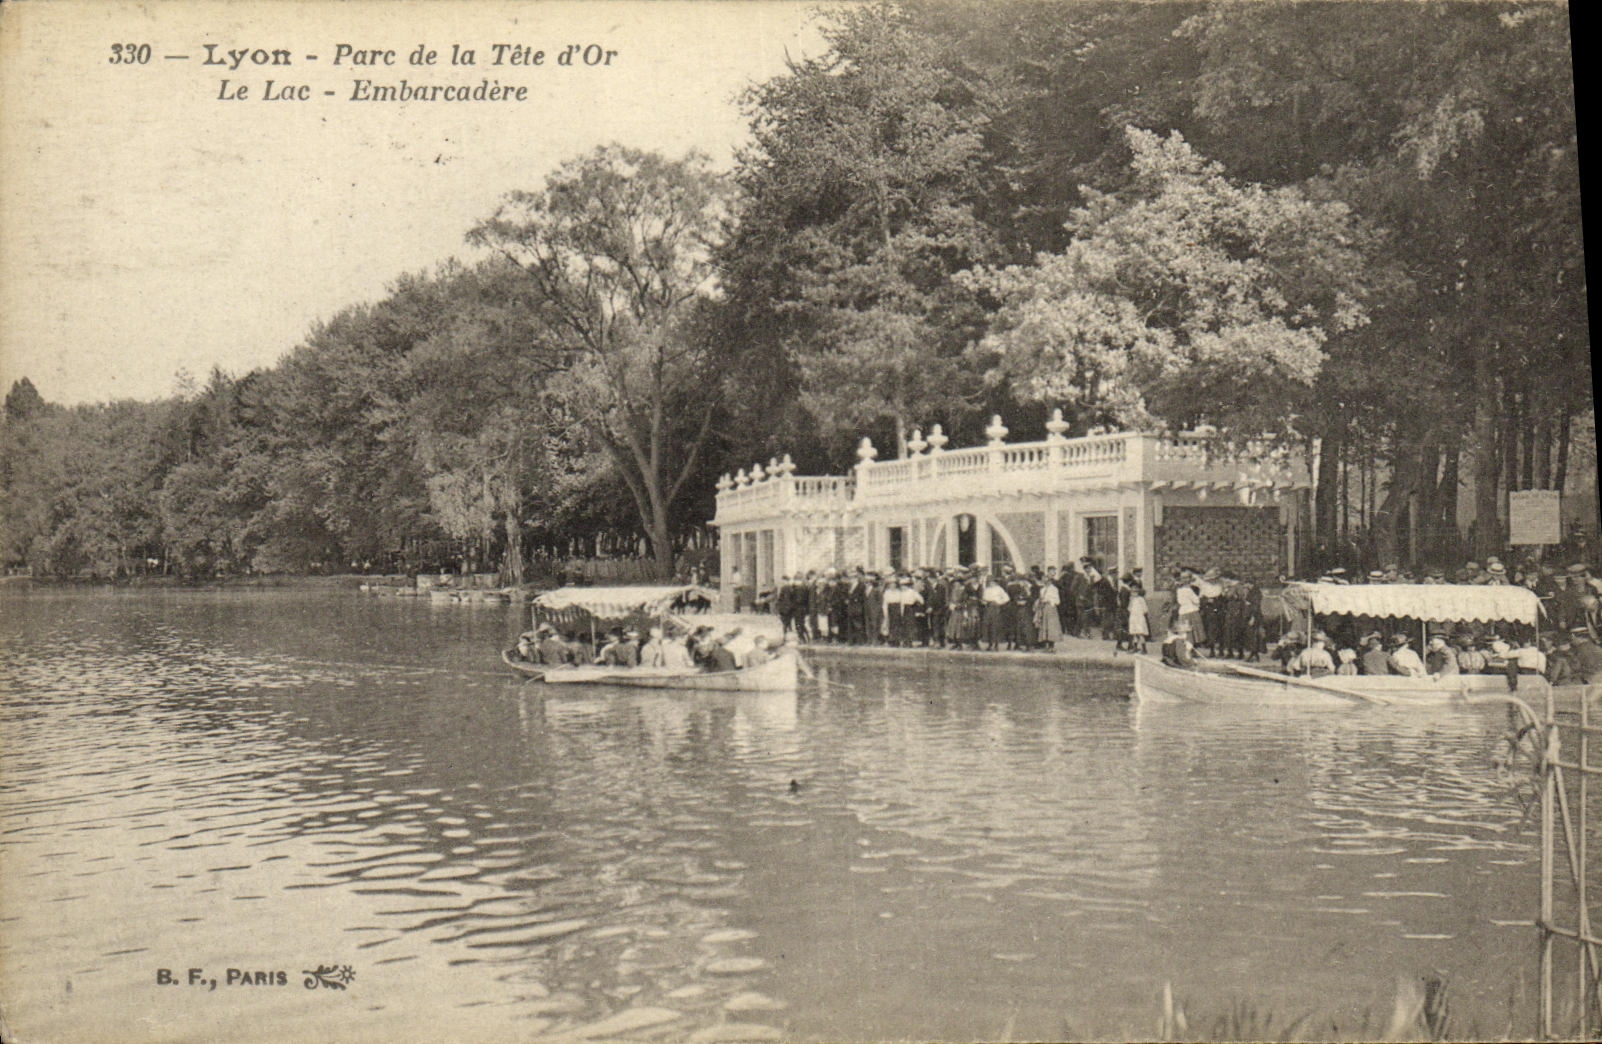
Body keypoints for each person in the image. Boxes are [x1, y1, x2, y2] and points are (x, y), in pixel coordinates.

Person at [1126, 583, 1150, 655]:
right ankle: (1135, 647)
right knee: (1134, 634)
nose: (1134, 593)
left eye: (1136, 591)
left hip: (1139, 618)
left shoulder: (1141, 600)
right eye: (1132, 592)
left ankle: (1144, 649)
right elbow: (1129, 609)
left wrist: (1140, 613)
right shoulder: (1132, 600)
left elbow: (1145, 610)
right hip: (1133, 618)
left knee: (1140, 633)